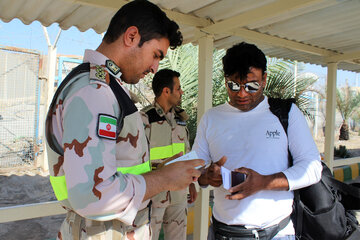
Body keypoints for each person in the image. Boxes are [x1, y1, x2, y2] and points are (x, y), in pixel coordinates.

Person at [45, 1, 204, 239]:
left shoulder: (106, 87)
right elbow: (92, 193)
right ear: (131, 36)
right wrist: (163, 179)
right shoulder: (96, 91)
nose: (154, 67)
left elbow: (117, 165)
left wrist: (163, 169)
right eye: (155, 55)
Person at [192, 42, 322, 240]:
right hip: (222, 233)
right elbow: (196, 170)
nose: (242, 93)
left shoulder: (286, 113)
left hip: (276, 233)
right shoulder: (211, 118)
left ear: (264, 80)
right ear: (225, 80)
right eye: (234, 85)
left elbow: (312, 168)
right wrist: (207, 177)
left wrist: (264, 182)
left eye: (251, 86)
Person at [140, 69, 197, 240]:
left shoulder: (181, 118)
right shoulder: (144, 118)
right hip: (154, 194)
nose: (182, 92)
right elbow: (136, 158)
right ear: (166, 91)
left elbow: (186, 153)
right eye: (178, 88)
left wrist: (191, 183)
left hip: (179, 193)